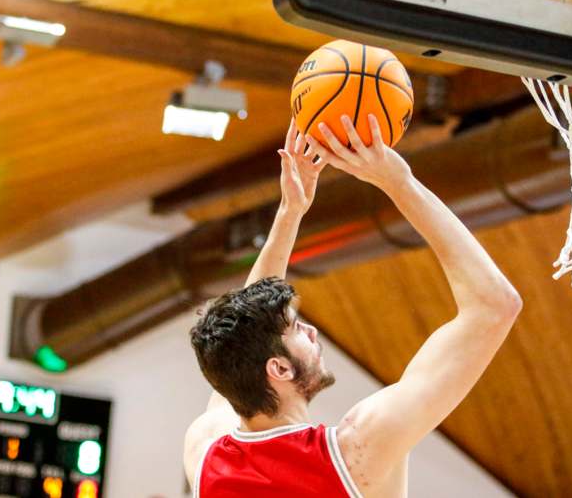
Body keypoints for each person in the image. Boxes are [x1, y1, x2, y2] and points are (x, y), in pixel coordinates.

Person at [184, 114, 522, 497]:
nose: (311, 331)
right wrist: (399, 183)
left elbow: (247, 331)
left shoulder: (206, 451)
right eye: (296, 328)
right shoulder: (355, 450)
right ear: (277, 367)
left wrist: (291, 211)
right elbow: (495, 305)